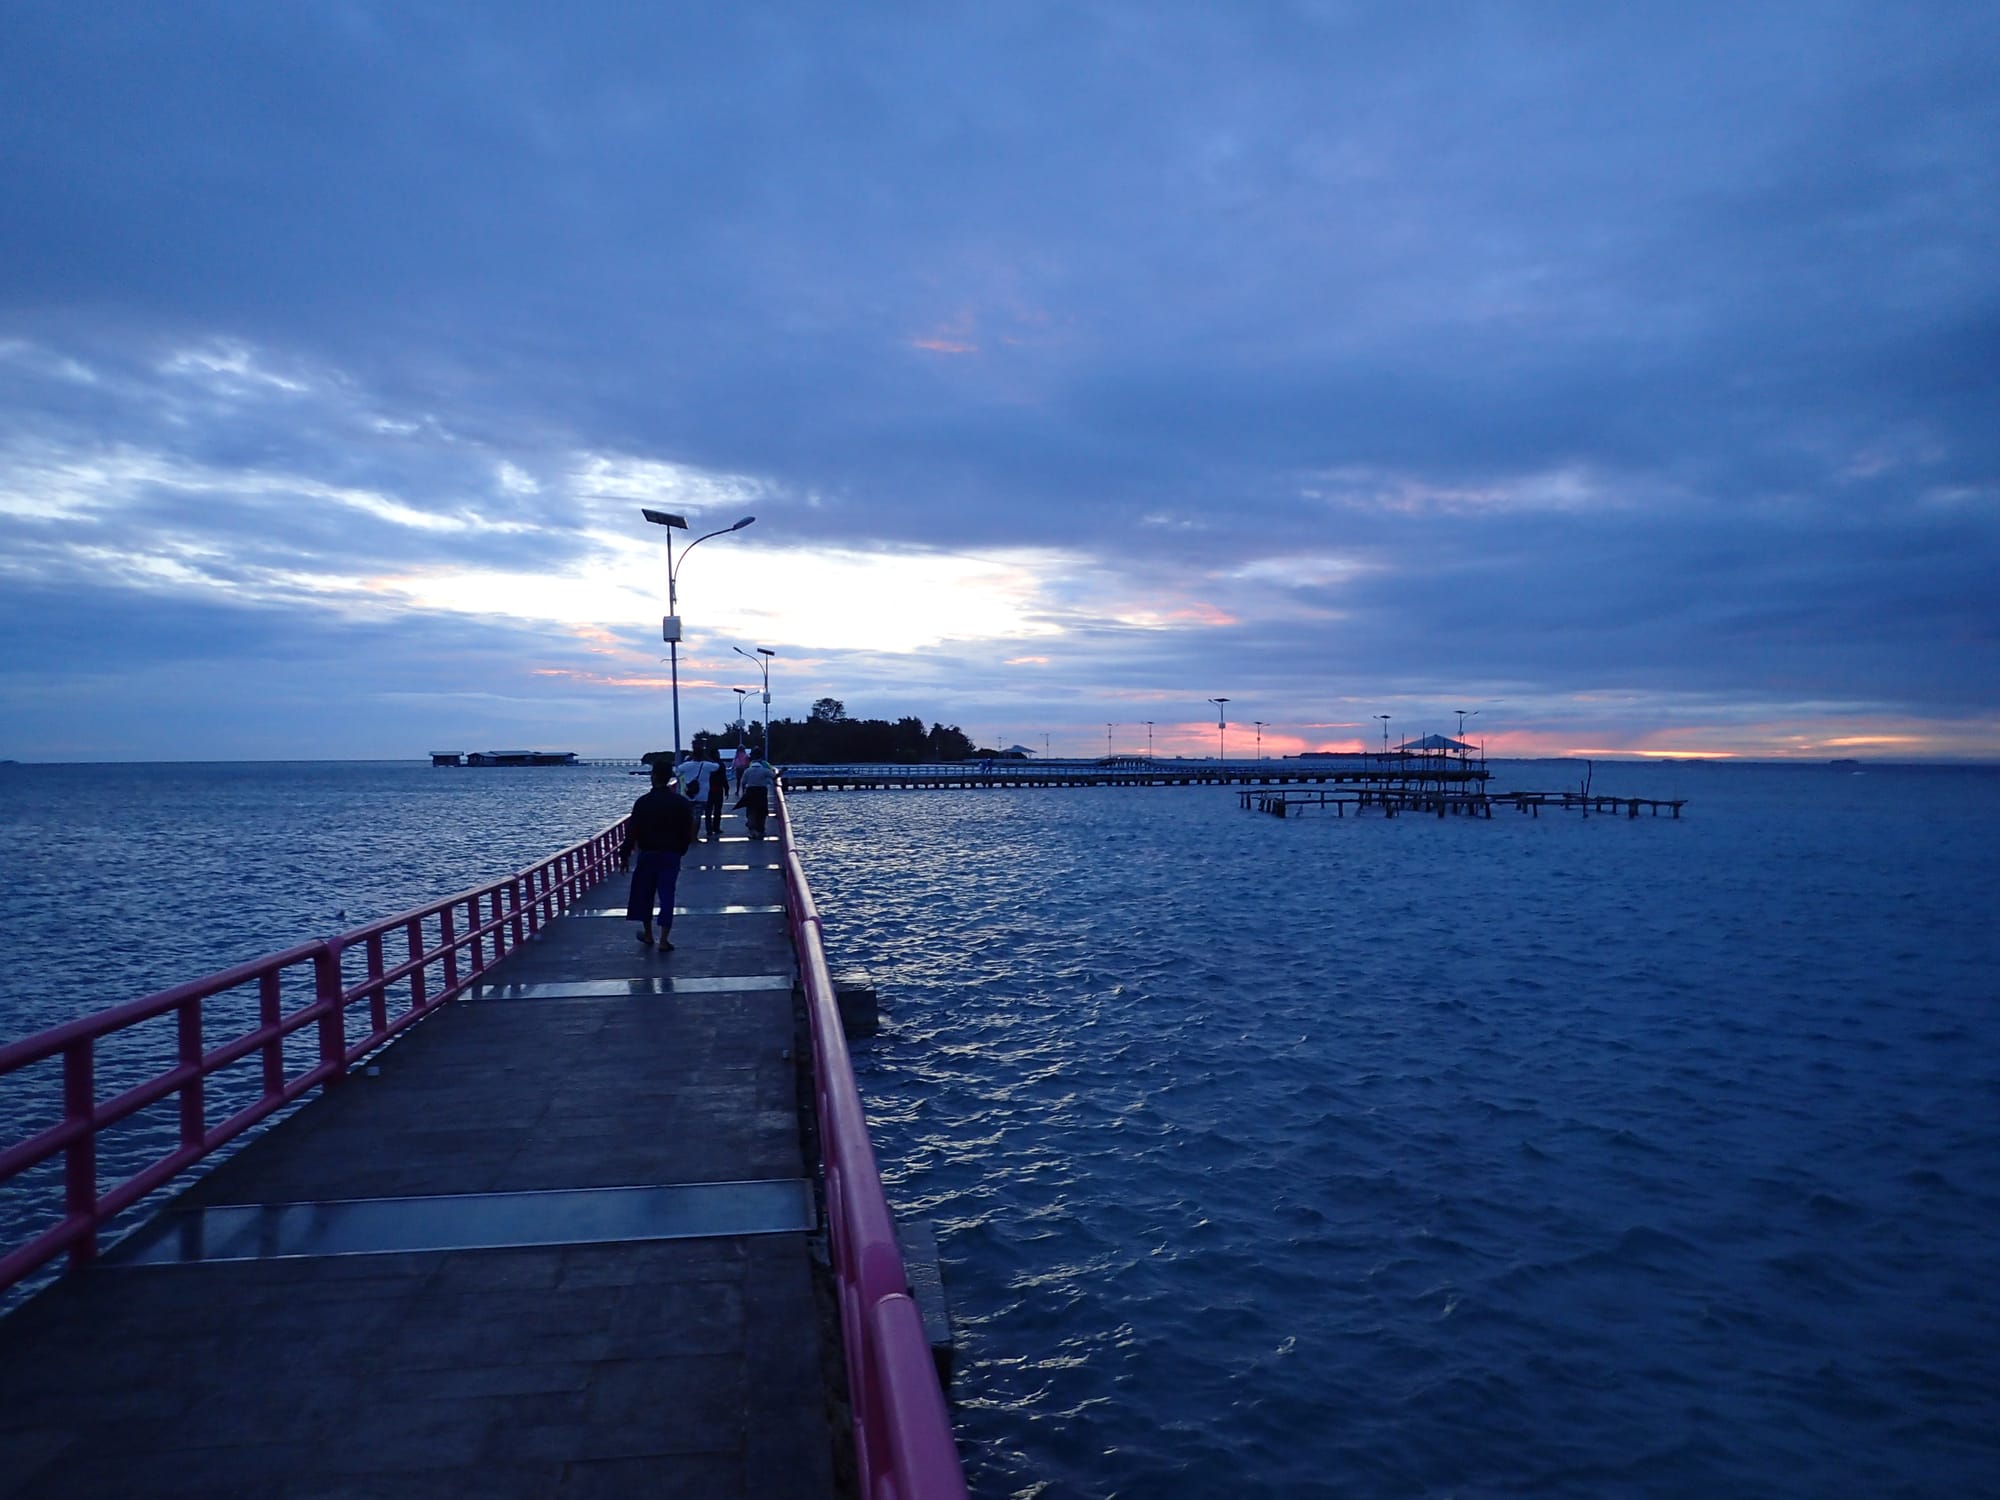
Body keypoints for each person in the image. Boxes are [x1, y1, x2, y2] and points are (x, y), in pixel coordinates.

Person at [619, 766, 696, 949]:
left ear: (653, 777)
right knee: (667, 895)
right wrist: (682, 848)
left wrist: (624, 855)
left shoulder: (643, 802)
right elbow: (688, 829)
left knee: (645, 894)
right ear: (669, 778)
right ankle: (664, 939)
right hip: (671, 854)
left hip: (648, 853)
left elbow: (632, 831)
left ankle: (648, 934)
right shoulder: (681, 803)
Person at [734, 756, 775, 839]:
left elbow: (743, 782)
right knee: (762, 811)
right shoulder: (764, 770)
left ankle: (752, 829)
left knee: (751, 810)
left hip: (750, 791)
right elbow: (774, 776)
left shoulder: (747, 771)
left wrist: (742, 792)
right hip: (761, 791)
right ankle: (761, 829)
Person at [704, 748, 728, 839]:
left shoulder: (706, 765)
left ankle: (709, 829)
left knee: (708, 810)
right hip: (718, 789)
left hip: (708, 790)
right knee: (717, 809)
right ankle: (716, 827)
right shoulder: (720, 764)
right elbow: (723, 777)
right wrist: (726, 788)